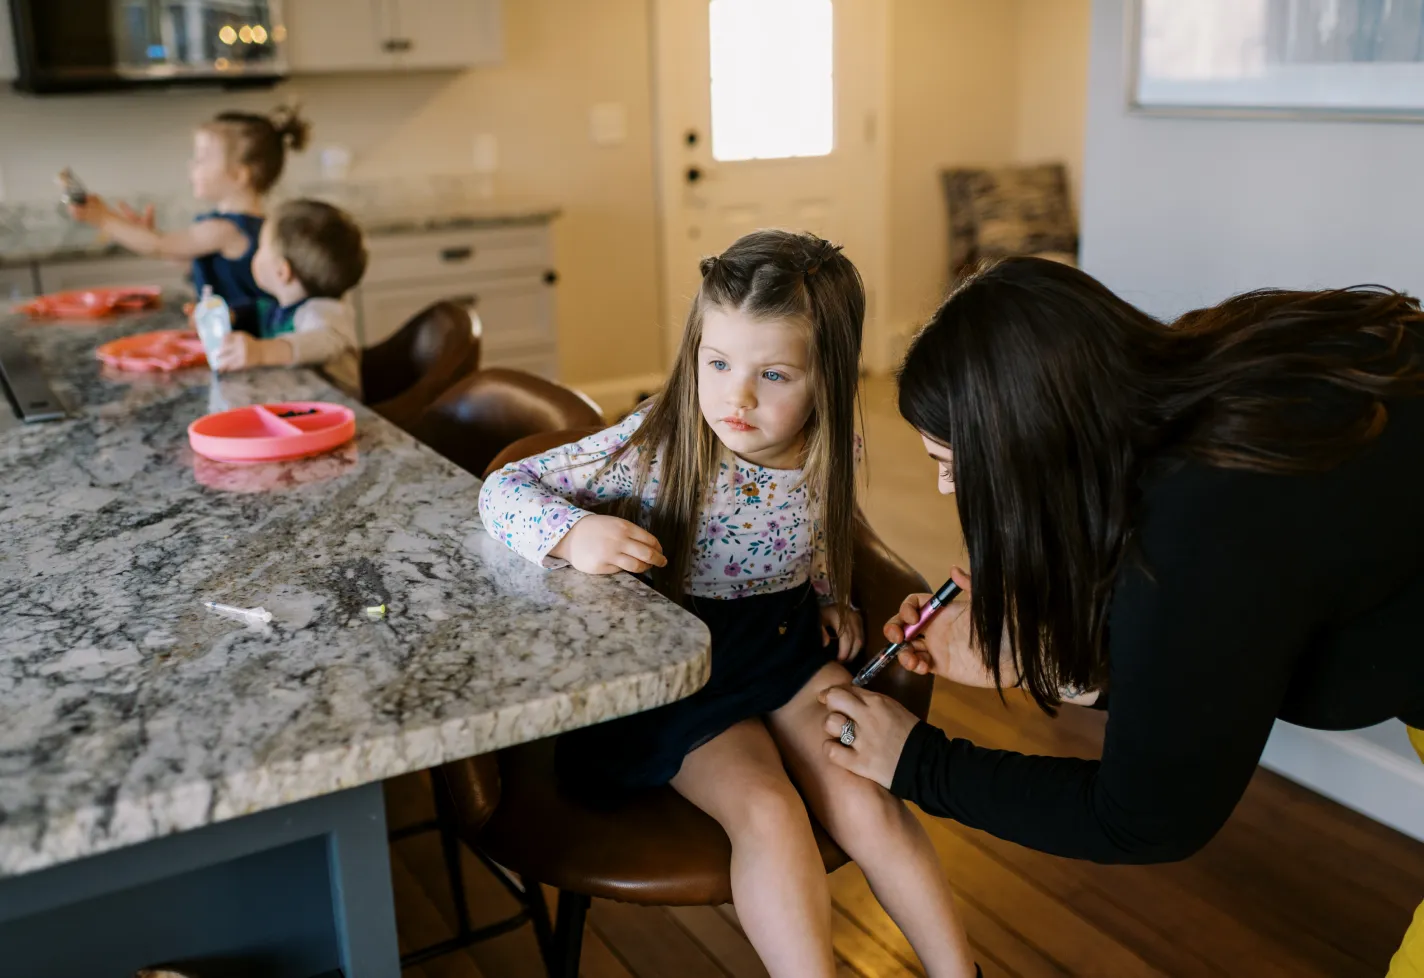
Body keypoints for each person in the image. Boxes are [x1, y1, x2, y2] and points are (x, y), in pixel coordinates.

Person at [817, 256, 1424, 975]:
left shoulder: (1199, 534)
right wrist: (1065, 663)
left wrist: (918, 762)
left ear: (1027, 452)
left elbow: (1145, 817)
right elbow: (1220, 657)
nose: (947, 490)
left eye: (952, 462)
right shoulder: (1206, 360)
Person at [479, 230, 979, 978]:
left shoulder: (829, 443)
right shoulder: (655, 445)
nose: (735, 397)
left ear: (829, 380)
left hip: (779, 644)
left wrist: (830, 591)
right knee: (771, 814)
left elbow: (818, 525)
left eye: (773, 374)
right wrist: (575, 534)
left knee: (864, 791)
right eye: (717, 363)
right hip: (678, 667)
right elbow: (503, 489)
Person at [69, 106, 310, 333]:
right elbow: (183, 256)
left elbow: (160, 245)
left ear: (238, 175)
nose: (191, 165)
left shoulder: (225, 229)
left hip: (245, 339)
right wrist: (147, 237)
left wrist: (102, 218)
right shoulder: (238, 225)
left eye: (202, 158)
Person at [213, 198, 367, 398]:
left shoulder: (324, 312)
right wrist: (226, 315)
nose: (255, 254)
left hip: (337, 412)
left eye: (260, 247)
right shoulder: (283, 305)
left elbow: (324, 341)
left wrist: (262, 352)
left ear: (281, 271)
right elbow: (258, 311)